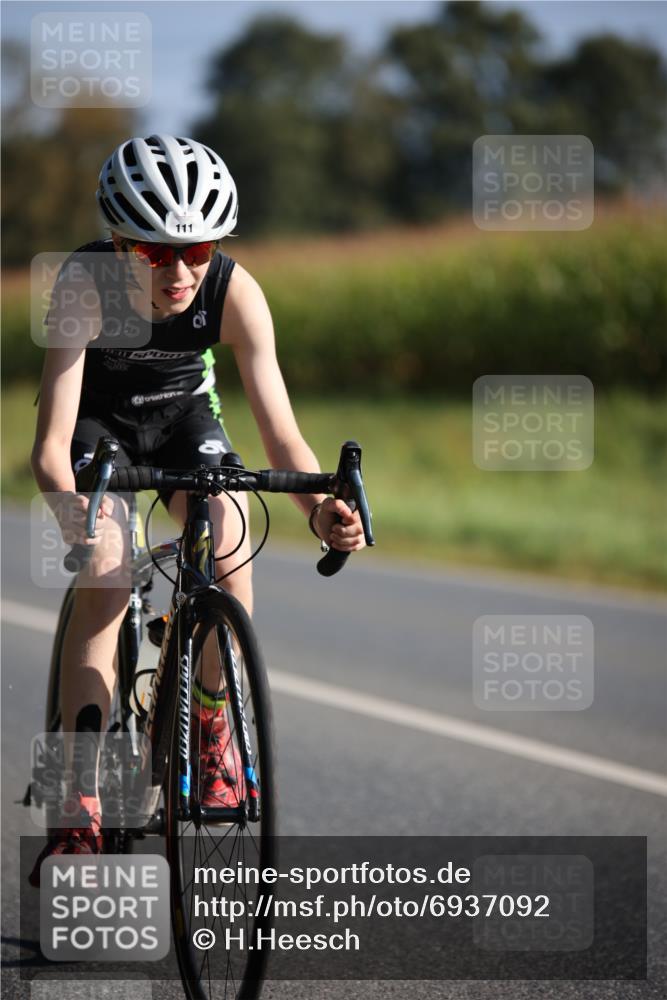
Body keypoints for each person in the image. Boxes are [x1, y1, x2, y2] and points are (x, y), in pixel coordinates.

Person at [29, 134, 365, 883]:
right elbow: (49, 447)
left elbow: (282, 436)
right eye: (154, 253)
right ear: (119, 244)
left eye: (198, 251)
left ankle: (211, 725)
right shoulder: (82, 284)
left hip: (183, 418)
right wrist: (77, 520)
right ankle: (77, 805)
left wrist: (320, 511)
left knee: (232, 542)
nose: (179, 273)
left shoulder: (236, 292)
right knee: (108, 575)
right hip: (98, 427)